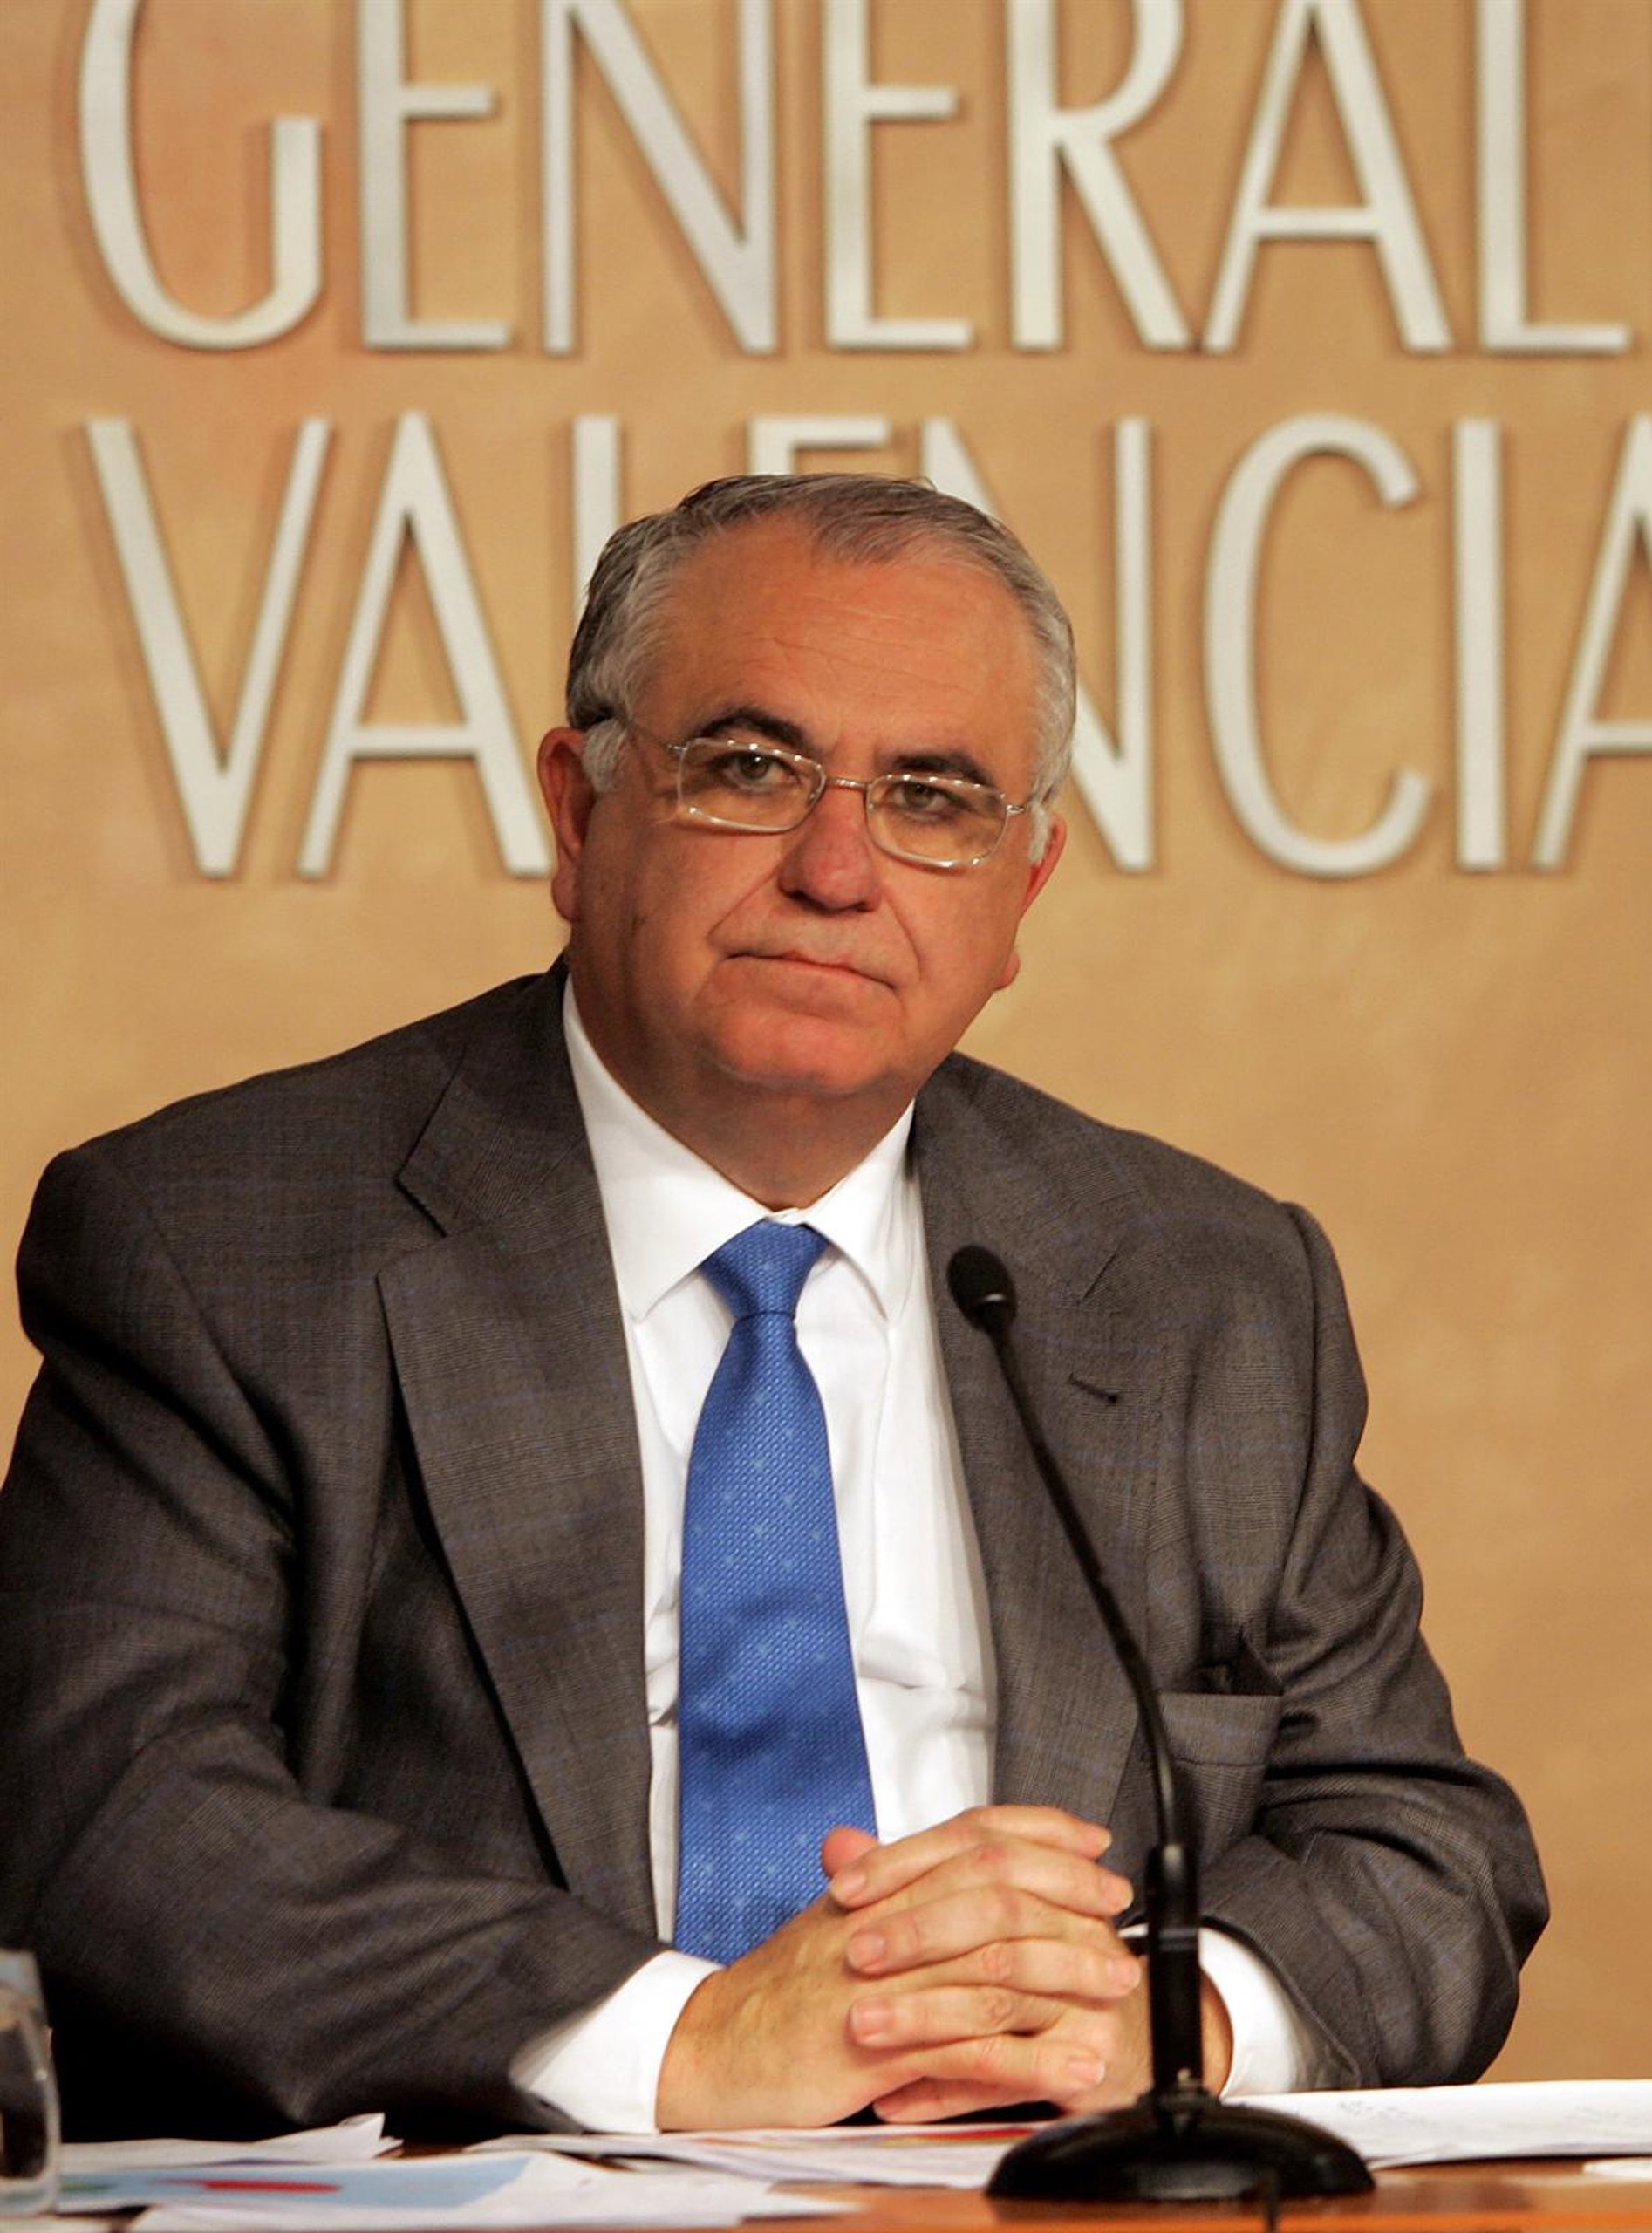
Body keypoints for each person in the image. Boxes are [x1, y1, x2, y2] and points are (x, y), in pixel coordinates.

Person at [0, 474, 1545, 2140]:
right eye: (750, 769)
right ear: (579, 815)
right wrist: (694, 2044)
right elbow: (103, 1810)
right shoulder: (223, 1241)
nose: (837, 869)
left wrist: (1164, 2024)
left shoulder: (1206, 1288)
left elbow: (1422, 1848)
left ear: (1022, 893)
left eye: (935, 800)